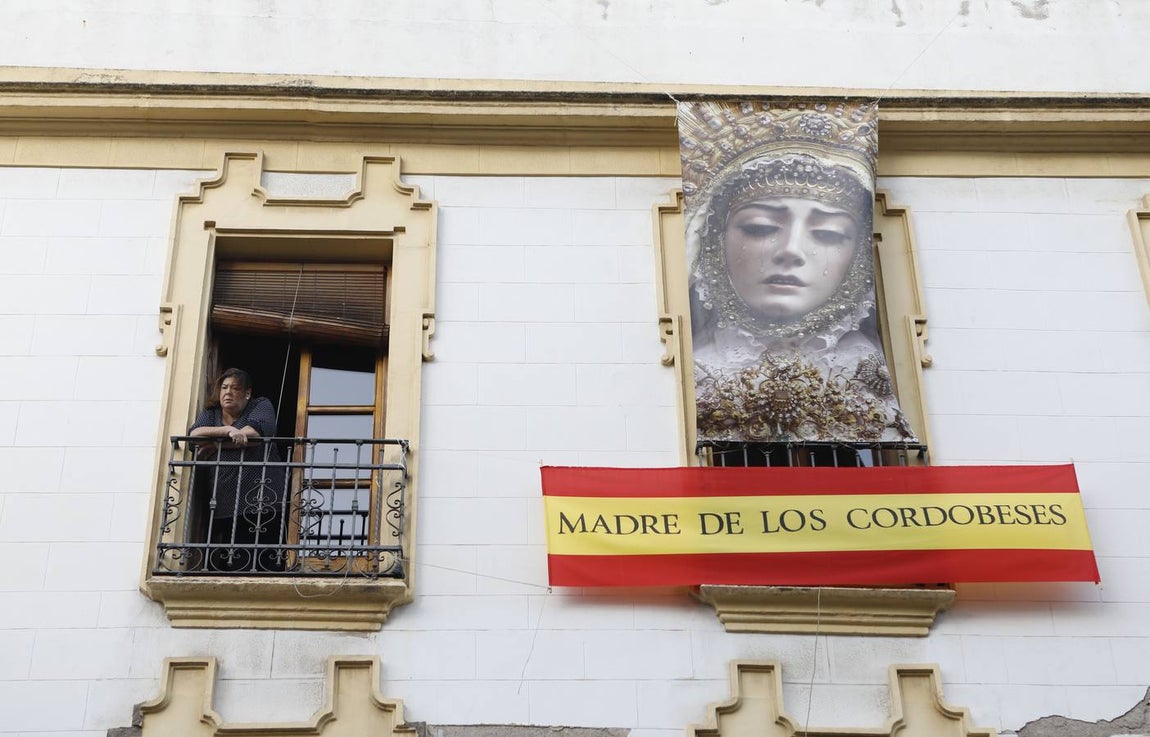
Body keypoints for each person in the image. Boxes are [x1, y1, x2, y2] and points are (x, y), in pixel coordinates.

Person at [686, 149, 917, 443]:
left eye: (828, 234)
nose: (791, 251)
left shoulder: (868, 365)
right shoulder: (696, 367)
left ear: (857, 255)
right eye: (760, 228)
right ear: (715, 242)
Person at [188, 368, 286, 571]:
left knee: (259, 565)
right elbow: (195, 434)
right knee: (224, 566)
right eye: (224, 388)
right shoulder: (212, 413)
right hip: (222, 504)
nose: (227, 393)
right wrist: (228, 430)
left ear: (247, 393)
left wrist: (215, 445)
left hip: (261, 502)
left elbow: (255, 435)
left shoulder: (260, 405)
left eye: (234, 388)